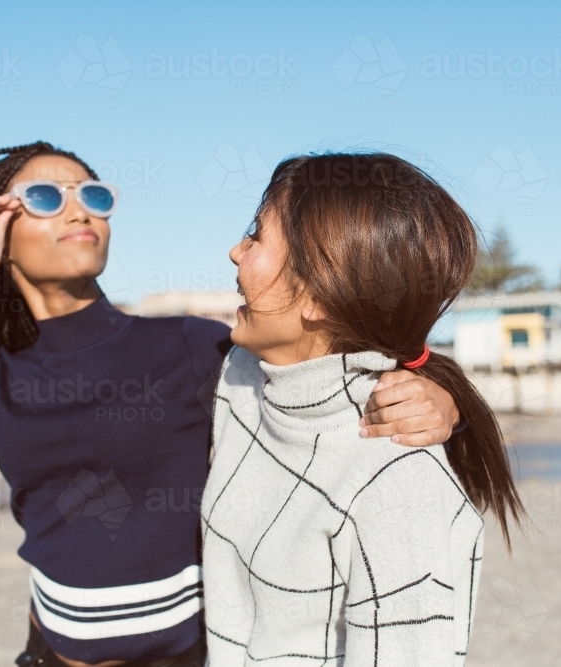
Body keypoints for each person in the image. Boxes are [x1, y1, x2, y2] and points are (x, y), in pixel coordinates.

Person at [0, 142, 462, 667]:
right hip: (49, 654)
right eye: (46, 198)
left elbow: (327, 366)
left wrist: (440, 392)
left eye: (93, 196)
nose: (80, 213)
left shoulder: (185, 346)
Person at [201, 153, 524, 665]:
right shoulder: (241, 375)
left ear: (317, 296)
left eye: (257, 235)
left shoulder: (397, 479)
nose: (235, 251)